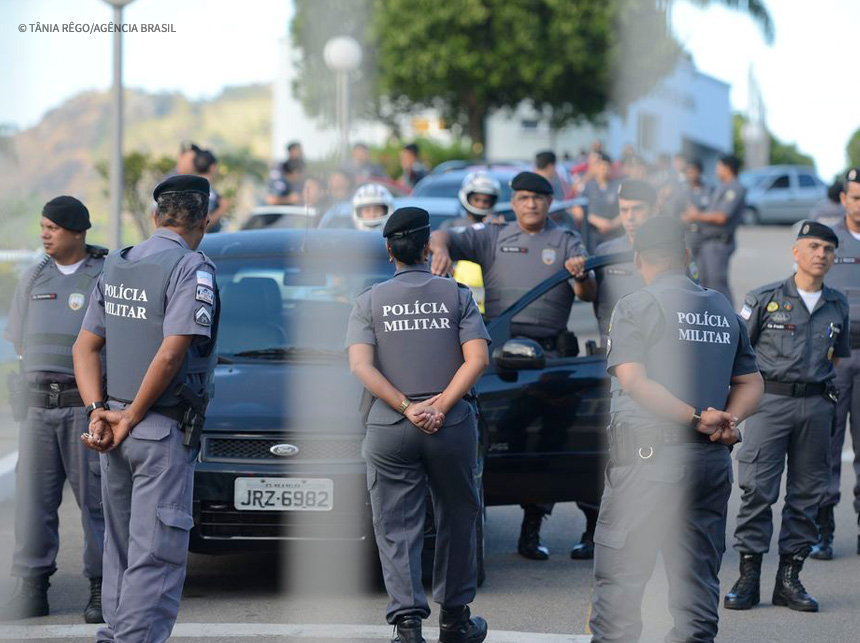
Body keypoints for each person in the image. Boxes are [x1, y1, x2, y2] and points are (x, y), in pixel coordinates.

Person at [589, 216, 763, 643]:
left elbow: (633, 379)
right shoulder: (722, 307)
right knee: (697, 578)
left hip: (651, 462)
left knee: (622, 577)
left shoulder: (636, 305)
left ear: (637, 259)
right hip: (709, 460)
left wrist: (693, 416)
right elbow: (751, 382)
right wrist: (728, 421)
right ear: (686, 257)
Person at [73, 175, 219, 643]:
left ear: (156, 217)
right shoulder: (191, 267)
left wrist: (99, 410)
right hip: (156, 428)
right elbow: (172, 352)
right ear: (203, 220)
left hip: (111, 430)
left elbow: (84, 347)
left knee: (120, 547)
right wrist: (133, 414)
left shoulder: (116, 264)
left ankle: (117, 634)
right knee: (156, 551)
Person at [429, 171, 597, 561]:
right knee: (513, 440)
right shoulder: (494, 234)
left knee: (568, 440)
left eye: (538, 198)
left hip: (552, 357)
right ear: (514, 201)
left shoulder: (567, 239)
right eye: (522, 198)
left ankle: (591, 529)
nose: (530, 204)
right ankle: (528, 527)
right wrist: (439, 249)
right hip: (502, 354)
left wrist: (581, 274)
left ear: (550, 201)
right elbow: (446, 235)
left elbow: (587, 293)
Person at [346, 206, 491, 643]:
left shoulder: (368, 301)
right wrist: (441, 406)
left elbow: (361, 367)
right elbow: (478, 359)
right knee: (458, 517)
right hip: (451, 425)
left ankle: (407, 626)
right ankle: (455, 620)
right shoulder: (458, 295)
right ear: (428, 247)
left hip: (390, 425)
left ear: (388, 249)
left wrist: (408, 407)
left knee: (395, 524)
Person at [726, 221, 849, 613]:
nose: (821, 255)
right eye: (813, 246)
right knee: (758, 491)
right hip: (770, 403)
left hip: (816, 406)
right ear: (796, 252)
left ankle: (789, 580)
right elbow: (738, 352)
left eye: (828, 249)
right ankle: (748, 578)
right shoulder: (764, 298)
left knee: (807, 495)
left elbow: (838, 357)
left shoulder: (837, 304)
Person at [0, 197, 107, 623]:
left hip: (83, 407)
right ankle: (31, 588)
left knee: (97, 502)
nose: (44, 233)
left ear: (77, 232)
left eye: (53, 227)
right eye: (42, 226)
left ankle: (101, 588)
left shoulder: (104, 275)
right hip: (38, 409)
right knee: (33, 503)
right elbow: (21, 342)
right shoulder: (33, 277)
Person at [811, 169, 860, 560]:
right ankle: (822, 530)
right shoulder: (828, 242)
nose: (859, 204)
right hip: (835, 356)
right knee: (827, 445)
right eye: (855, 197)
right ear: (843, 199)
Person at [592, 180, 658, 343]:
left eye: (637, 209)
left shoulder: (672, 252)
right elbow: (595, 299)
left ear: (654, 210)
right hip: (614, 345)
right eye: (624, 210)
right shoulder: (605, 252)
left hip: (659, 345)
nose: (630, 217)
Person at [682, 154, 746, 305]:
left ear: (727, 168)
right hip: (706, 242)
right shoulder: (722, 186)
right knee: (704, 283)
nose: (717, 170)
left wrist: (697, 215)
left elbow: (722, 216)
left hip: (718, 243)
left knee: (717, 285)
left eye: (719, 166)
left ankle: (729, 321)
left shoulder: (735, 187)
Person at [442, 171, 504, 314]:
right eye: (477, 199)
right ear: (467, 197)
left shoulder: (499, 225)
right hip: (458, 301)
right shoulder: (451, 226)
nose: (481, 205)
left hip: (491, 304)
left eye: (486, 201)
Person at [573, 152, 622, 251]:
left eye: (607, 167)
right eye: (601, 167)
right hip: (593, 234)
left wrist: (612, 224)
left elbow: (626, 207)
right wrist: (597, 221)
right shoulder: (588, 186)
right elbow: (577, 210)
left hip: (615, 234)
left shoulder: (618, 185)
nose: (604, 170)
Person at [194, 149, 231, 233]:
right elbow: (200, 225)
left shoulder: (194, 186)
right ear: (213, 167)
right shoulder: (205, 189)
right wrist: (222, 209)